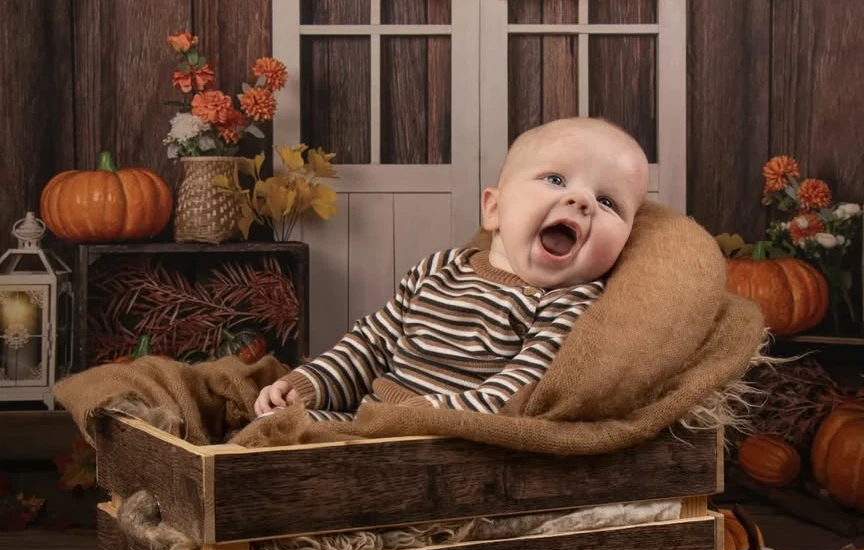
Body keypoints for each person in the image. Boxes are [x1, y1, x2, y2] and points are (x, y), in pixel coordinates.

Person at [254, 116, 650, 421]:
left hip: (444, 439)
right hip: (372, 418)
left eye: (608, 202)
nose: (581, 201)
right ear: (493, 208)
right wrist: (306, 386)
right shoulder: (440, 270)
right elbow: (372, 345)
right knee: (271, 424)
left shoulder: (571, 304)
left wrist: (428, 416)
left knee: (291, 443)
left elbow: (519, 391)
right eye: (556, 179)